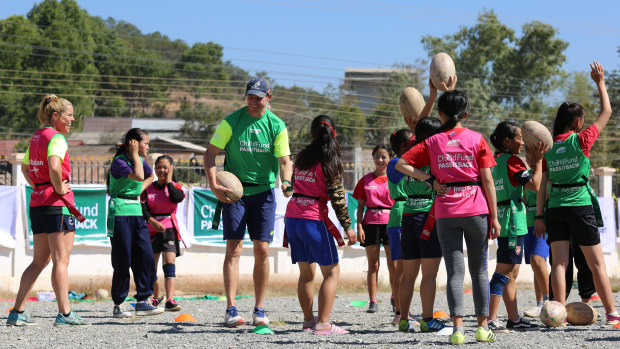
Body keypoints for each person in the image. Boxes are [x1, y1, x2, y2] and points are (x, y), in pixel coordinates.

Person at [396, 89, 500, 344]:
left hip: (446, 210)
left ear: (440, 114)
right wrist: (494, 217)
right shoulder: (477, 139)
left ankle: (457, 330)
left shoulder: (432, 142)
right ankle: (483, 327)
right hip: (476, 208)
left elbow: (401, 163)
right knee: (479, 270)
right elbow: (487, 180)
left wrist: (430, 179)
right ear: (466, 113)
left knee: (455, 272)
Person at [534, 61, 620, 325]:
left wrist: (539, 216)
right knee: (596, 265)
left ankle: (555, 315)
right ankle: (612, 314)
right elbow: (607, 110)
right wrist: (600, 82)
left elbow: (543, 185)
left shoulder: (548, 148)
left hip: (555, 208)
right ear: (578, 121)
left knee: (559, 264)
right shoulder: (581, 140)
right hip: (580, 205)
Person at [203, 77, 293, 327]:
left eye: (258, 97)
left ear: (269, 97)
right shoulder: (232, 121)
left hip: (264, 193)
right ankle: (231, 309)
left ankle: (260, 309)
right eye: (250, 97)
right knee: (234, 248)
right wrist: (213, 185)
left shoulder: (277, 125)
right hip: (235, 194)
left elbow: (285, 161)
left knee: (262, 250)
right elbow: (210, 153)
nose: (253, 102)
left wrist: (286, 182)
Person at [7, 94, 89, 327]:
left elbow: (24, 168)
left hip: (38, 203)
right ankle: (64, 314)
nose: (73, 119)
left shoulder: (36, 137)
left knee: (38, 261)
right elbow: (54, 165)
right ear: (56, 116)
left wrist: (39, 186)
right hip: (56, 205)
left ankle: (17, 312)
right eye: (69, 115)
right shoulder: (57, 138)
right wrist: (57, 187)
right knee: (61, 261)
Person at [284, 115, 356, 335]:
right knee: (332, 272)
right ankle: (324, 324)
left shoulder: (302, 157)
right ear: (333, 134)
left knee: (306, 274)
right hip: (312, 220)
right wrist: (348, 227)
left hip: (293, 217)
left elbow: (294, 185)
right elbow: (337, 199)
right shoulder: (330, 161)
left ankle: (308, 321)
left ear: (312, 133)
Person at [486, 121, 547, 332]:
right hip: (512, 222)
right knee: (503, 272)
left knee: (511, 273)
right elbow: (536, 185)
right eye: (519, 137)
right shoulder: (512, 161)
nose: (522, 142)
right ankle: (490, 319)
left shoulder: (495, 161)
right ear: (507, 141)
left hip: (504, 219)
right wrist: (538, 163)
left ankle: (514, 319)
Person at [391, 118, 446, 334]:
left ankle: (404, 320)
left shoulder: (410, 153)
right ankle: (427, 320)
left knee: (408, 274)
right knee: (429, 274)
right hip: (429, 216)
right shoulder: (434, 155)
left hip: (408, 214)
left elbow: (420, 127)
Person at [107, 128, 163, 318]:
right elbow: (139, 176)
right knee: (123, 259)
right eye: (145, 143)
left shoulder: (138, 160)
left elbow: (149, 177)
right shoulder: (120, 161)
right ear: (133, 143)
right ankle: (118, 304)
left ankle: (142, 301)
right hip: (120, 213)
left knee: (145, 256)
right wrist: (133, 155)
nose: (147, 146)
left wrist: (138, 191)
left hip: (136, 213)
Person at [353, 144, 396, 313]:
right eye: (377, 156)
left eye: (383, 157)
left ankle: (395, 297)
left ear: (390, 159)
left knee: (393, 264)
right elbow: (360, 205)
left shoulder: (395, 179)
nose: (380, 160)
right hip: (370, 224)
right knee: (373, 265)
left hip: (391, 223)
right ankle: (373, 301)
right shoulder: (365, 180)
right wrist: (359, 226)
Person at [142, 155, 185, 311]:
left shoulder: (176, 187)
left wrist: (169, 181)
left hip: (169, 230)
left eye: (166, 167)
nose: (162, 170)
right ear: (155, 169)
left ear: (171, 168)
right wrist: (153, 222)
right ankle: (156, 296)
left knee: (169, 265)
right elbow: (144, 209)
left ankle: (170, 299)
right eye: (159, 167)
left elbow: (176, 198)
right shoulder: (148, 189)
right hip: (152, 230)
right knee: (151, 267)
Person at [521, 155, 550, 318]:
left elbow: (545, 194)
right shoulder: (526, 176)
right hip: (528, 223)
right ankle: (539, 304)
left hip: (543, 221)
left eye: (534, 155)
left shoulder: (546, 174)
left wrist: (539, 168)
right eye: (528, 155)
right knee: (536, 264)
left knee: (537, 260)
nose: (530, 159)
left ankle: (547, 302)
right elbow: (524, 199)